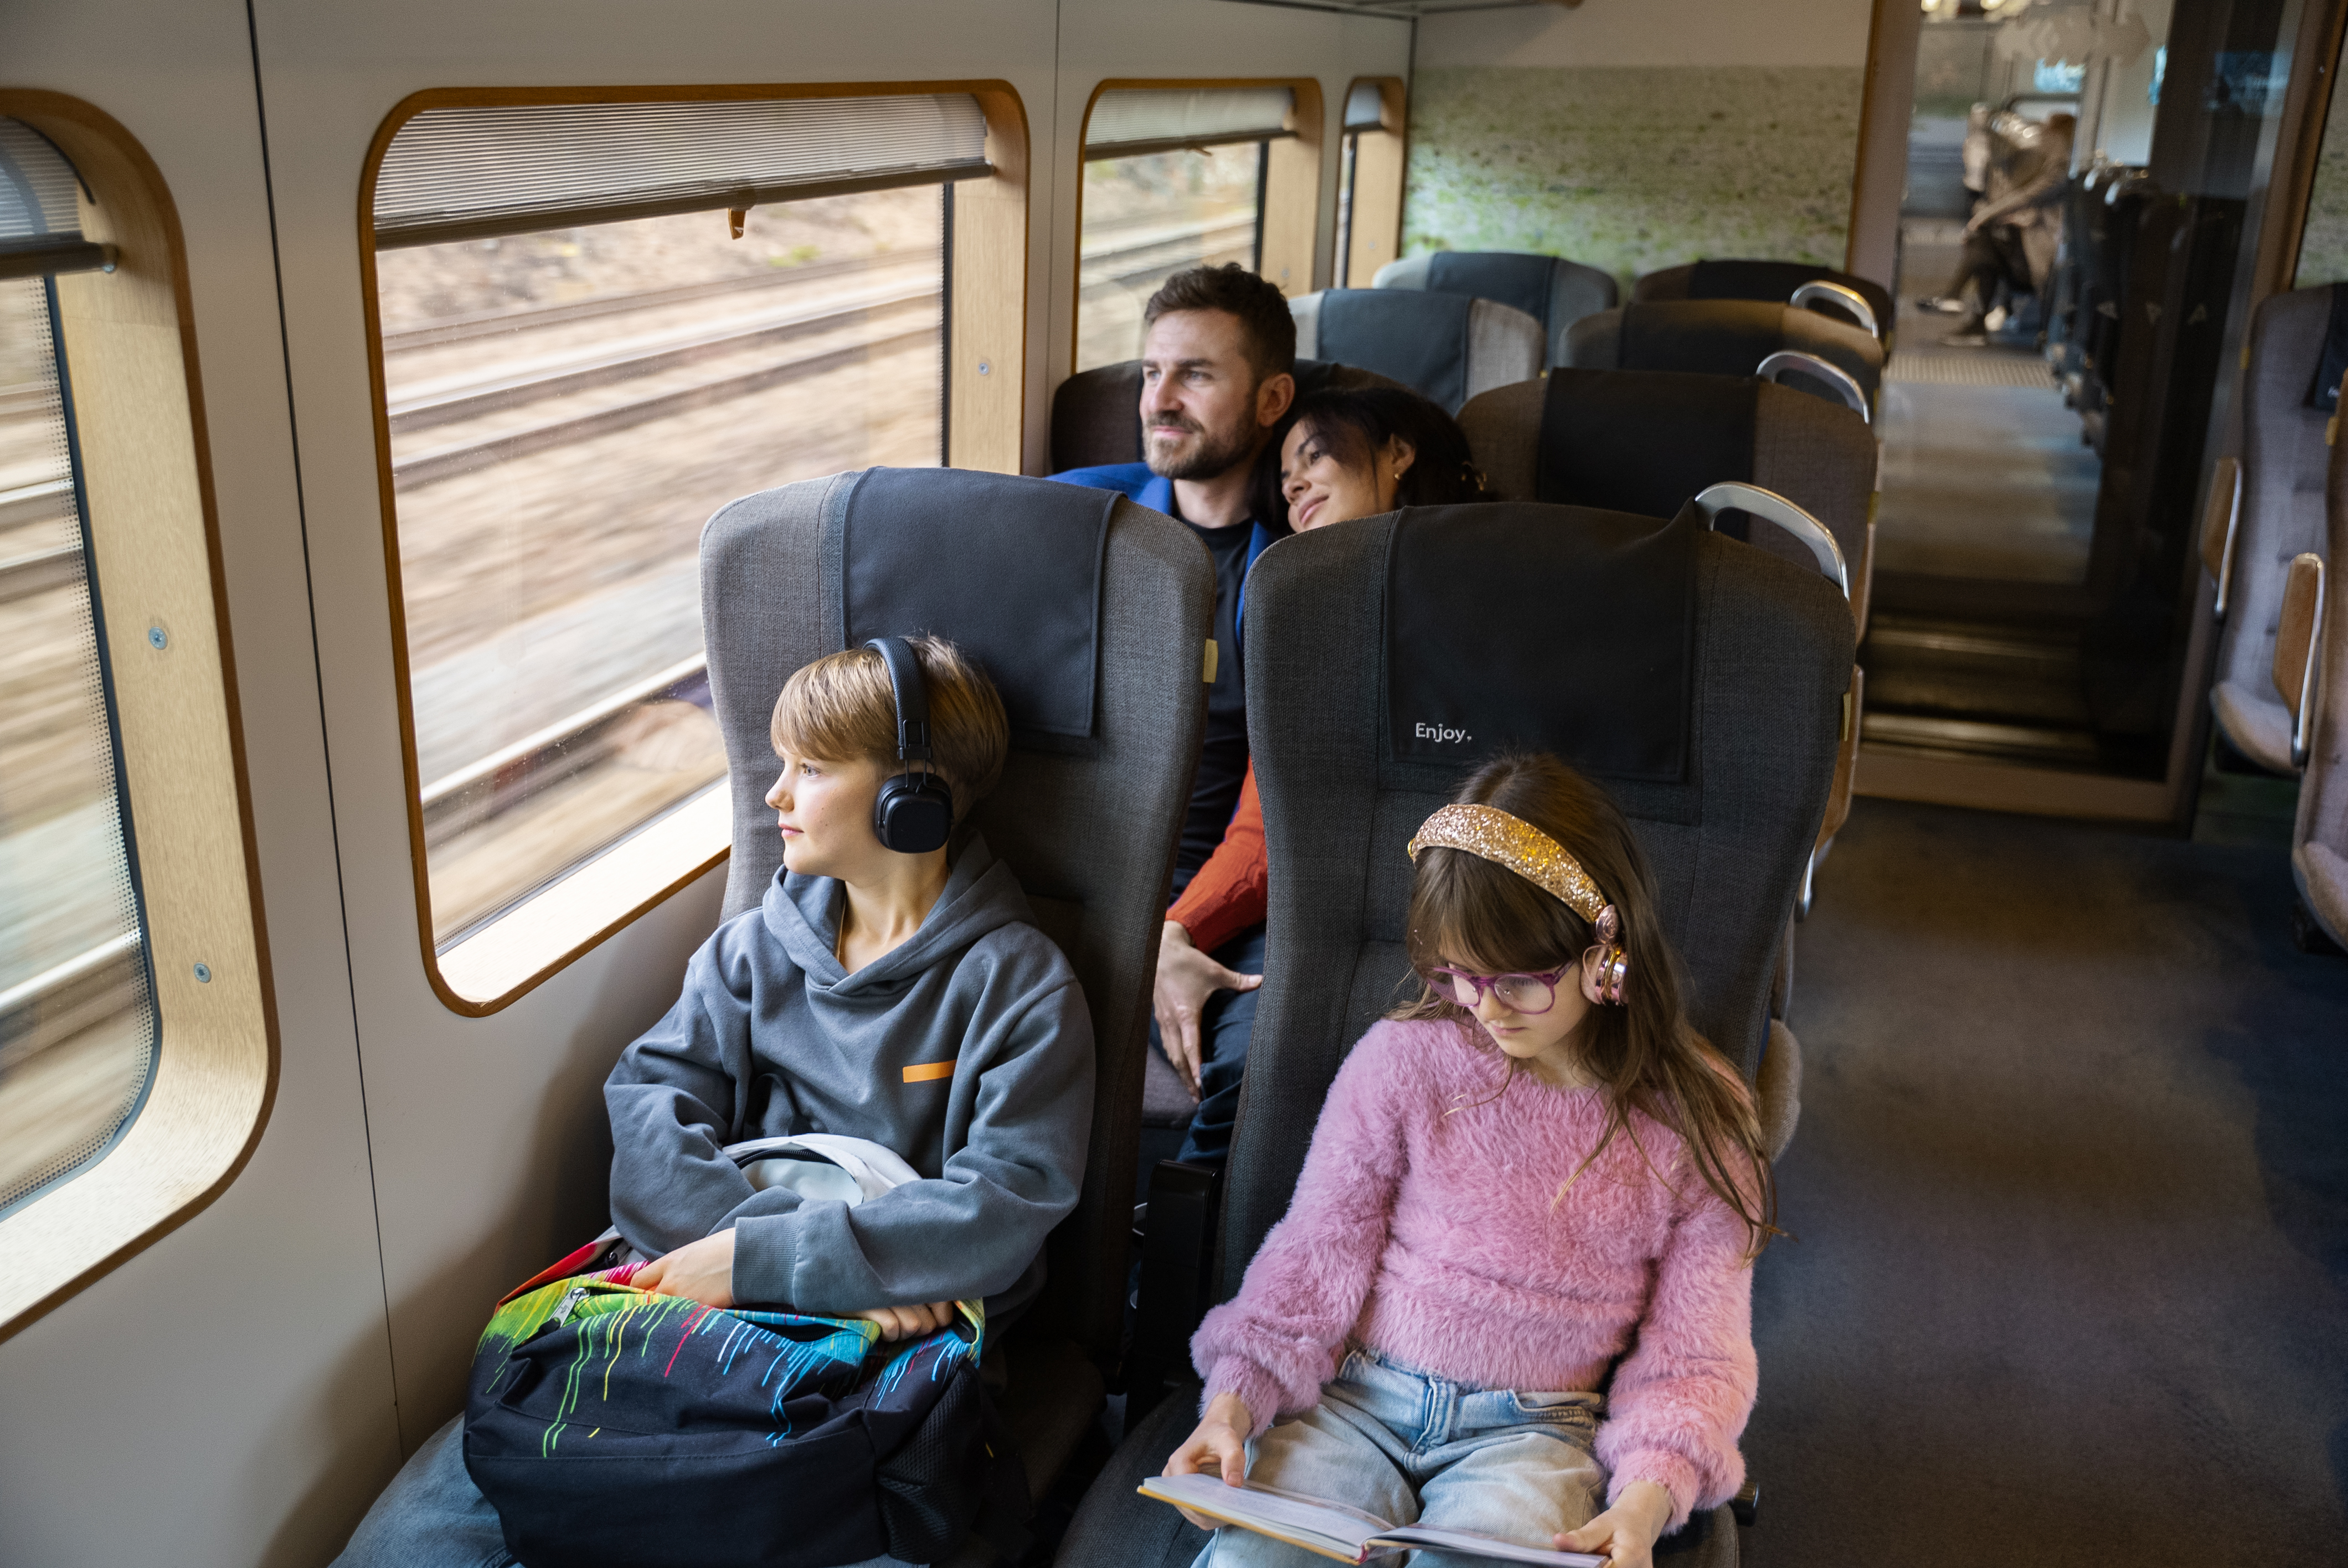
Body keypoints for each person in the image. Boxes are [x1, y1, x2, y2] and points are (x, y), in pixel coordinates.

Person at [333, 636, 1095, 1568]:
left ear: (912, 802)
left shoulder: (1020, 988)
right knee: (416, 1540)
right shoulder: (753, 951)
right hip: (699, 1289)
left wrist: (778, 1266)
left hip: (871, 1360)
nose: (773, 794)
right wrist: (745, 1257)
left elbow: (1004, 1207)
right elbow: (649, 1106)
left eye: (810, 768)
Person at [1162, 753, 1772, 1568]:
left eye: (1516, 981)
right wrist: (1235, 1402)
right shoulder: (1404, 1061)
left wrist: (1647, 1493)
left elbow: (1695, 1357)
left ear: (1605, 959)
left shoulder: (1700, 1122)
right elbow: (1314, 1256)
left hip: (1537, 1434)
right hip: (1356, 1402)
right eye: (1458, 976)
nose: (1483, 1008)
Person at [1154, 386, 1493, 1168]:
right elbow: (1264, 829)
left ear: (1399, 454)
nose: (1294, 484)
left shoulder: (1496, 583)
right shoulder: (1302, 610)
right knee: (1250, 1070)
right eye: (1284, 473)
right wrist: (1176, 931)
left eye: (1314, 456)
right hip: (1324, 906)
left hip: (1473, 908)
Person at [1052, 262, 1296, 1165]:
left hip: (1224, 900)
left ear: (1272, 398)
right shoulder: (1079, 516)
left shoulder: (1300, 574)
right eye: (1152, 372)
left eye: (1196, 374)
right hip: (1071, 881)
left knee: (1256, 1067)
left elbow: (1278, 818)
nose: (1161, 399)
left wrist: (1177, 931)